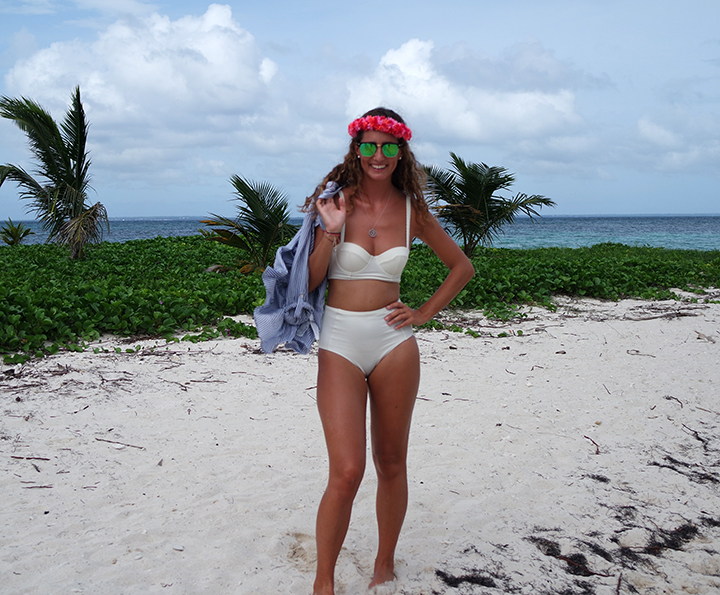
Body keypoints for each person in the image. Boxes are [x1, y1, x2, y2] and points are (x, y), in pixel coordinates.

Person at [305, 108, 475, 595]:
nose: (378, 155)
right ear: (356, 150)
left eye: (388, 146)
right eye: (369, 145)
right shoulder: (333, 203)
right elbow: (311, 280)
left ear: (401, 152)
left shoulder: (412, 211)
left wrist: (422, 313)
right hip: (339, 340)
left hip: (394, 343)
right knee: (347, 471)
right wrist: (331, 231)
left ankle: (384, 563)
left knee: (392, 462)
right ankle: (323, 582)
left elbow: (461, 267)